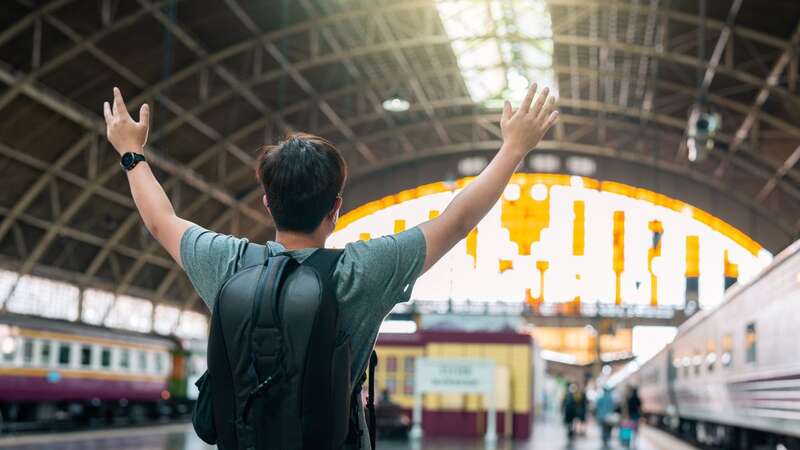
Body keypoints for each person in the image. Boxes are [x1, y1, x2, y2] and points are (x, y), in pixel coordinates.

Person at [102, 84, 558, 450]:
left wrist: (130, 152)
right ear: (336, 208)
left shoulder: (229, 263)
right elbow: (456, 220)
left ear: (266, 202)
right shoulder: (360, 272)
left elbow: (161, 221)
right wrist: (514, 148)